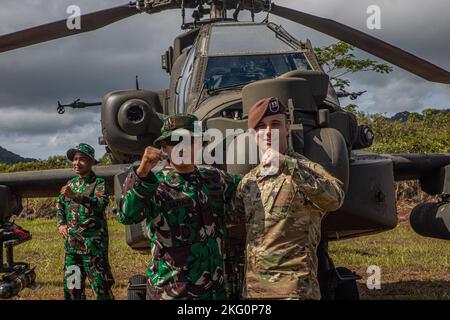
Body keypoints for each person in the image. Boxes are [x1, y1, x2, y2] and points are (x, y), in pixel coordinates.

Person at [115, 114, 241, 300]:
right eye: (174, 141)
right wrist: (141, 173)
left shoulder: (215, 179)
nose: (181, 147)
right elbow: (127, 215)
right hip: (173, 291)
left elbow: (247, 188)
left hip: (214, 290)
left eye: (189, 140)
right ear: (164, 147)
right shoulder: (153, 183)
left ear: (200, 145)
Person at [235, 97, 345, 300]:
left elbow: (335, 199)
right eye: (261, 126)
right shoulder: (249, 182)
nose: (268, 132)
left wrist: (288, 165)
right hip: (254, 291)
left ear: (287, 127)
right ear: (253, 134)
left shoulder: (306, 169)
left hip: (295, 291)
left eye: (275, 124)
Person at [56, 143, 114, 300]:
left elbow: (100, 204)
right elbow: (60, 205)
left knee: (100, 287)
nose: (76, 163)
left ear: (91, 162)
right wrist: (61, 224)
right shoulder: (70, 184)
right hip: (72, 246)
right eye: (75, 159)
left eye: (82, 159)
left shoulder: (98, 183)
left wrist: (76, 196)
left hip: (93, 246)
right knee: (72, 286)